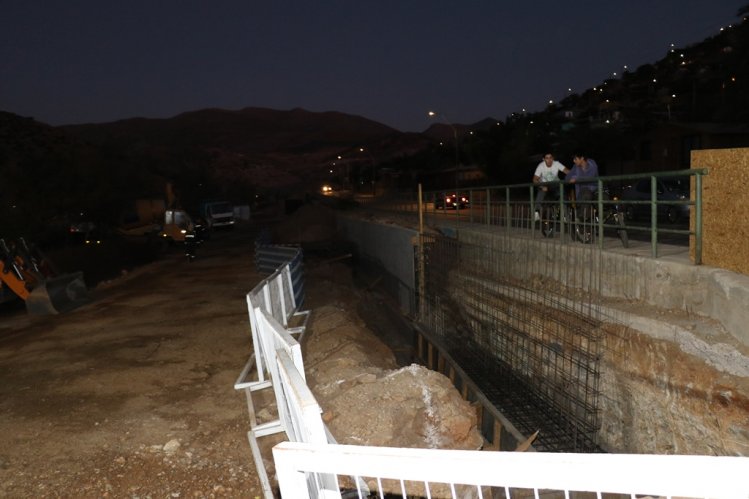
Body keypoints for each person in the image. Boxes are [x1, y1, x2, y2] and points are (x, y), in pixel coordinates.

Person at [532, 153, 569, 221]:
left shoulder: (556, 163)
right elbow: (534, 179)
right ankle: (536, 212)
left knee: (562, 195)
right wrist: (541, 186)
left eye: (551, 158)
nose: (549, 160)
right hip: (544, 184)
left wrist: (573, 176)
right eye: (547, 158)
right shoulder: (541, 166)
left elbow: (567, 171)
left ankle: (565, 215)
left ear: (553, 158)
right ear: (544, 159)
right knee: (541, 192)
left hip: (555, 184)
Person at [567, 153, 600, 222]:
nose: (574, 161)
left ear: (582, 158)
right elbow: (567, 177)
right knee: (585, 193)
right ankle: (582, 217)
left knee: (588, 193)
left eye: (575, 159)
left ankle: (583, 217)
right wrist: (572, 177)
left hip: (595, 189)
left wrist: (576, 178)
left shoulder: (592, 164)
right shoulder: (575, 167)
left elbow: (590, 177)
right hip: (582, 193)